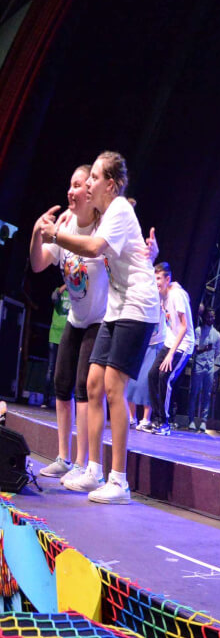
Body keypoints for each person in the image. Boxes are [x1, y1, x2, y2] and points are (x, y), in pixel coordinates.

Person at [48, 151, 162, 504]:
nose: (89, 183)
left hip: (137, 307)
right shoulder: (107, 215)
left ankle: (119, 481)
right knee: (93, 383)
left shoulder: (120, 209)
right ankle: (93, 470)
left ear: (111, 185)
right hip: (116, 308)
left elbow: (96, 248)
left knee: (113, 386)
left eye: (95, 177)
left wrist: (56, 236)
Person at [29, 164, 106, 481]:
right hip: (76, 318)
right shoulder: (64, 224)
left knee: (83, 387)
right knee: (62, 384)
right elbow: (38, 264)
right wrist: (36, 233)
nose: (70, 191)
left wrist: (57, 235)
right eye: (69, 185)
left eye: (77, 185)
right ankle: (63, 457)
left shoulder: (101, 228)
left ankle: (82, 462)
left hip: (99, 319)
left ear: (90, 191)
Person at [145, 262, 194, 435]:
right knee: (152, 375)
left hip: (183, 345)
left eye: (159, 278)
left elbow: (184, 327)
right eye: (154, 278)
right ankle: (157, 419)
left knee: (165, 377)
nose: (156, 282)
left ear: (167, 279)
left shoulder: (176, 295)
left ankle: (165, 423)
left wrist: (171, 354)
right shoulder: (162, 294)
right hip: (170, 341)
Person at [188, 307, 220, 431]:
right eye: (209, 316)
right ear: (204, 317)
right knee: (194, 392)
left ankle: (203, 421)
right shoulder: (198, 330)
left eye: (213, 316)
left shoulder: (217, 335)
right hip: (199, 365)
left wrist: (216, 369)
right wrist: (205, 348)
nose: (211, 318)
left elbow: (218, 353)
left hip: (210, 367)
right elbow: (195, 349)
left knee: (207, 394)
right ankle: (191, 419)